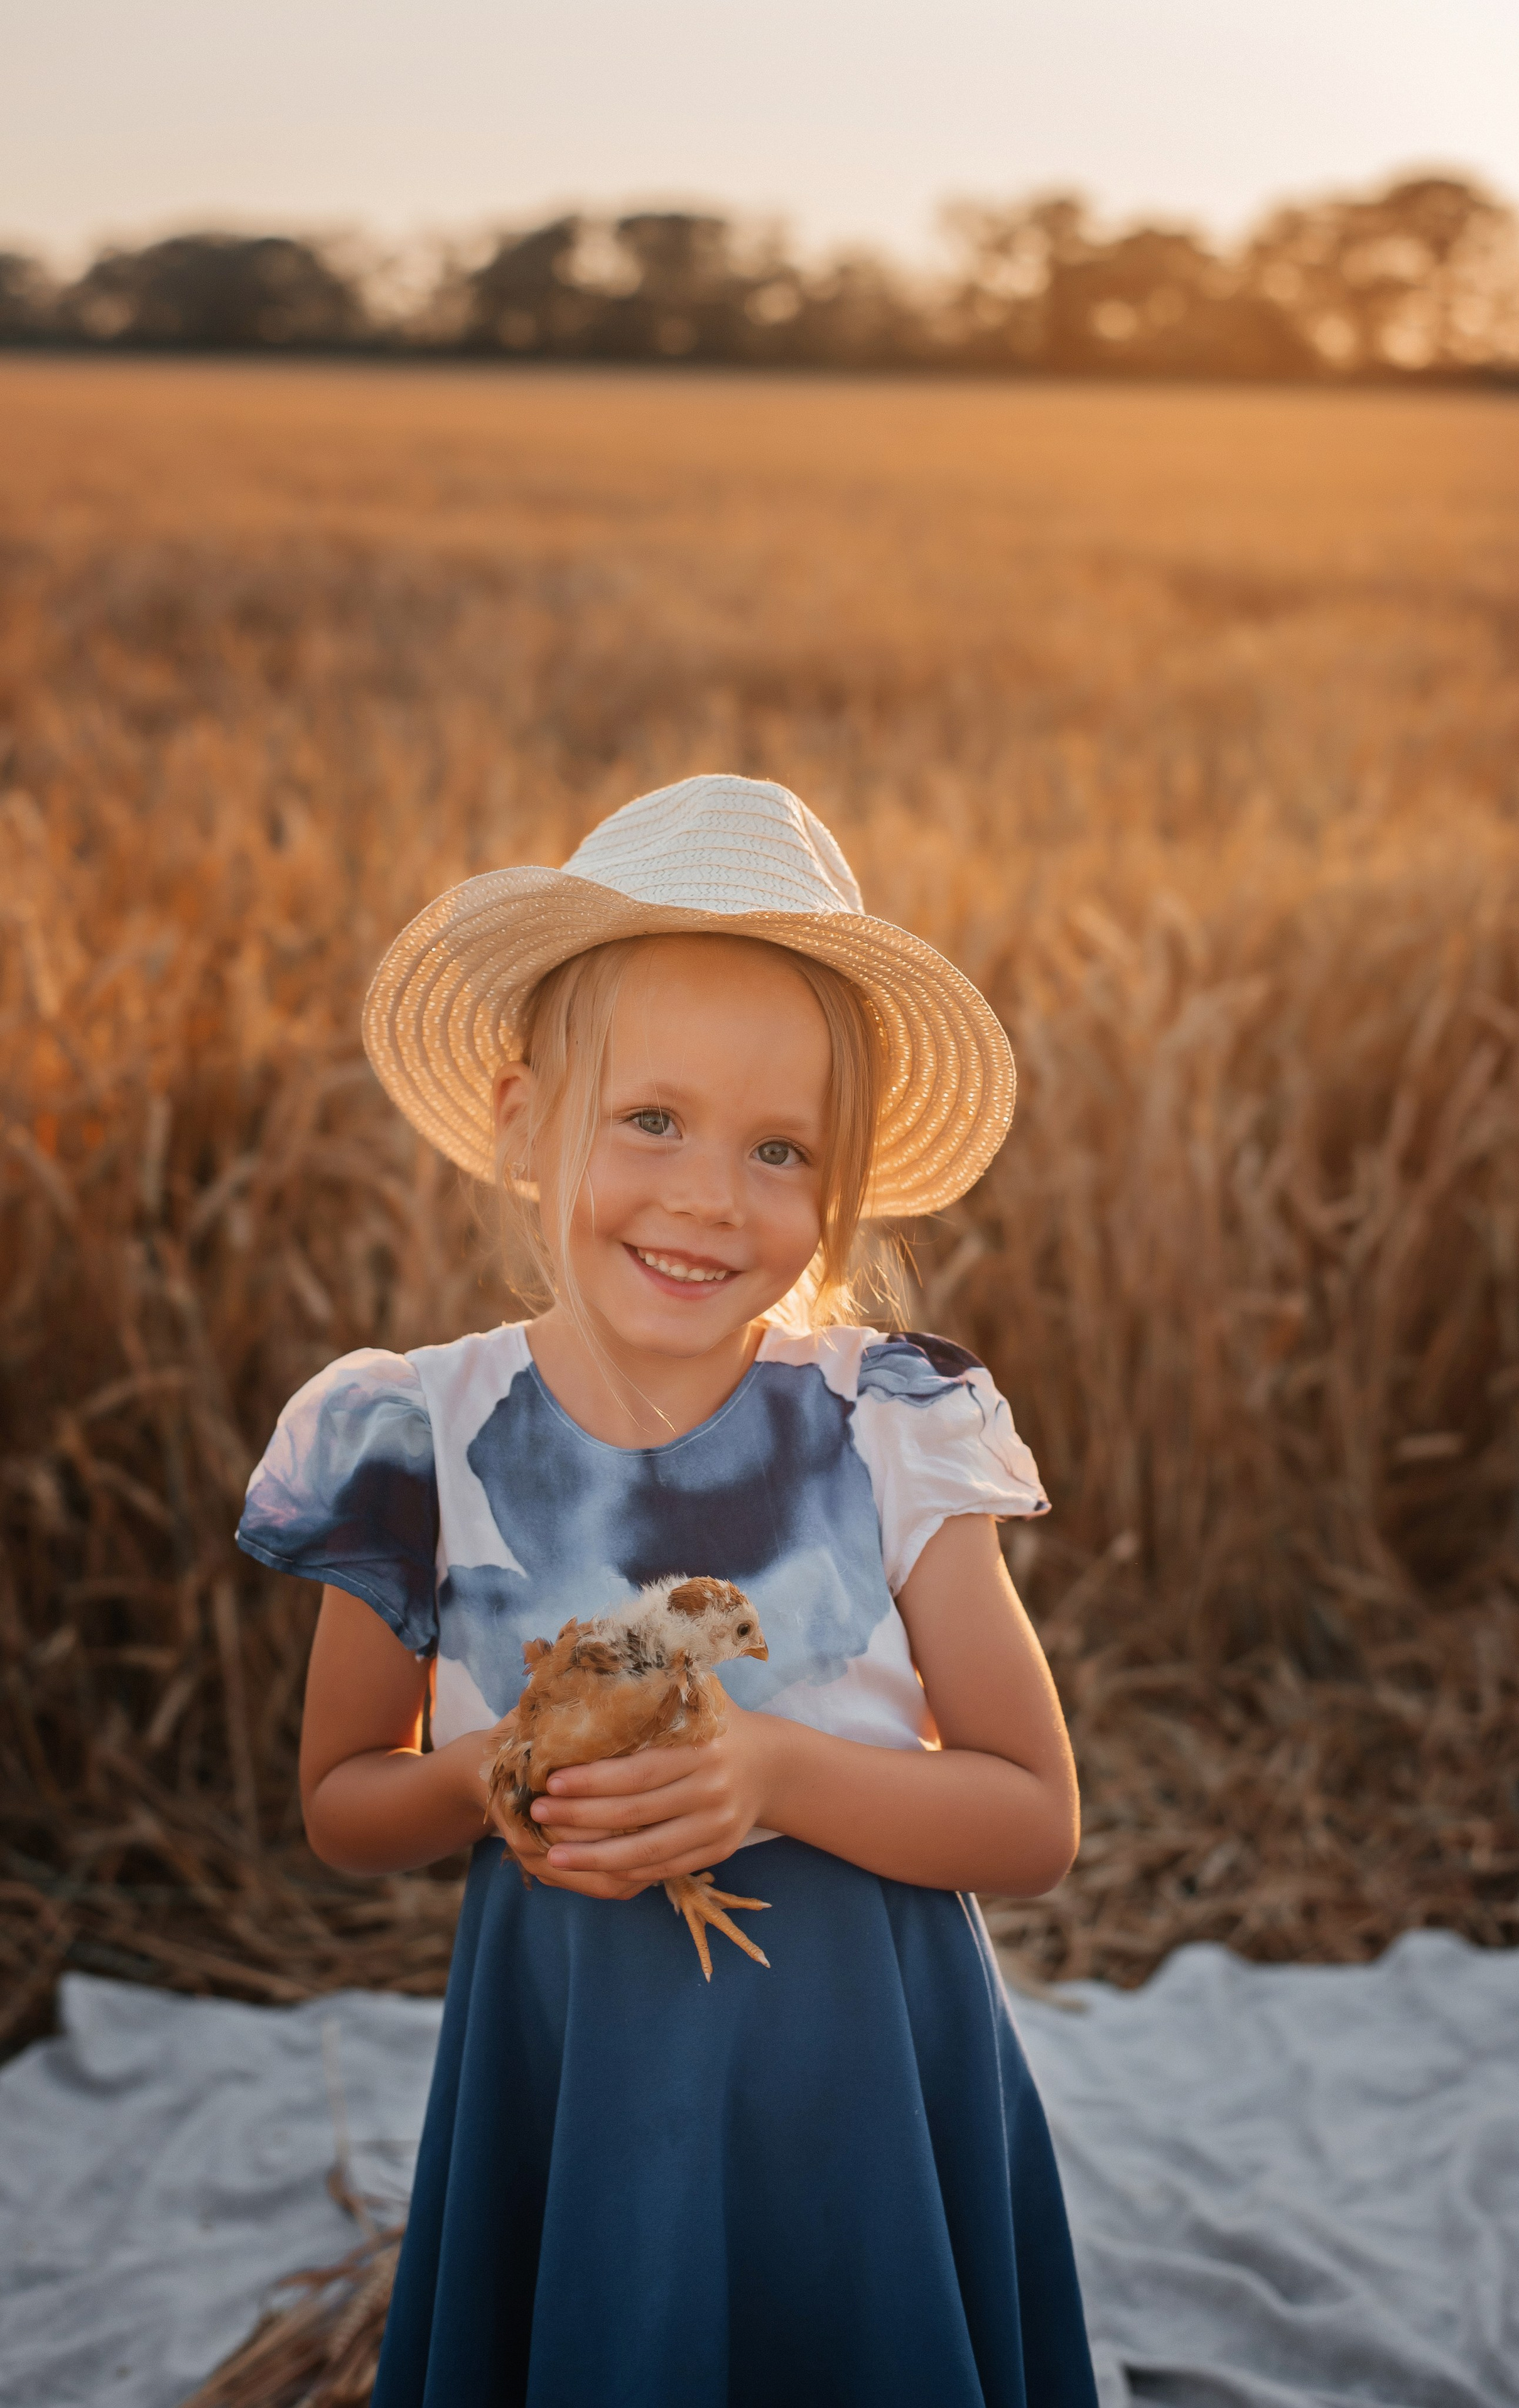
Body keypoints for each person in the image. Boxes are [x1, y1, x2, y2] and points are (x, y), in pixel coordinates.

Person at [236, 773, 1100, 2408]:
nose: (710, 1193)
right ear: (520, 1120)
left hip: (861, 2071)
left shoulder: (891, 1423)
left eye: (780, 1149)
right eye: (652, 1118)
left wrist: (770, 1771)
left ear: (839, 1187)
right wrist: (497, 1776)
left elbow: (1035, 1818)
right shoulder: (415, 1433)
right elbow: (344, 1803)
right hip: (578, 2061)